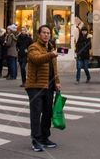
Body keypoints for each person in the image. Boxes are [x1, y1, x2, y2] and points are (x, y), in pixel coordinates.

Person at [24, 24, 60, 152]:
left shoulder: (50, 47)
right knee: (36, 113)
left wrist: (57, 82)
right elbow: (36, 59)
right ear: (39, 34)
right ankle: (36, 140)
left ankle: (45, 137)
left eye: (48, 33)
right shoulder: (33, 47)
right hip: (35, 86)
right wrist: (51, 55)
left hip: (48, 86)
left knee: (47, 113)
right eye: (44, 32)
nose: (46, 35)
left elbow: (54, 68)